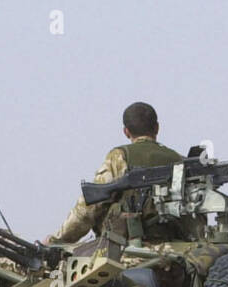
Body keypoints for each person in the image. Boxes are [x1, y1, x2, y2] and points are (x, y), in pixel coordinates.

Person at [45, 102, 184, 245]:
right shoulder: (180, 160)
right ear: (157, 127)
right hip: (174, 248)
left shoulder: (119, 157)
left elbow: (87, 210)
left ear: (126, 131)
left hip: (124, 249)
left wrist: (56, 240)